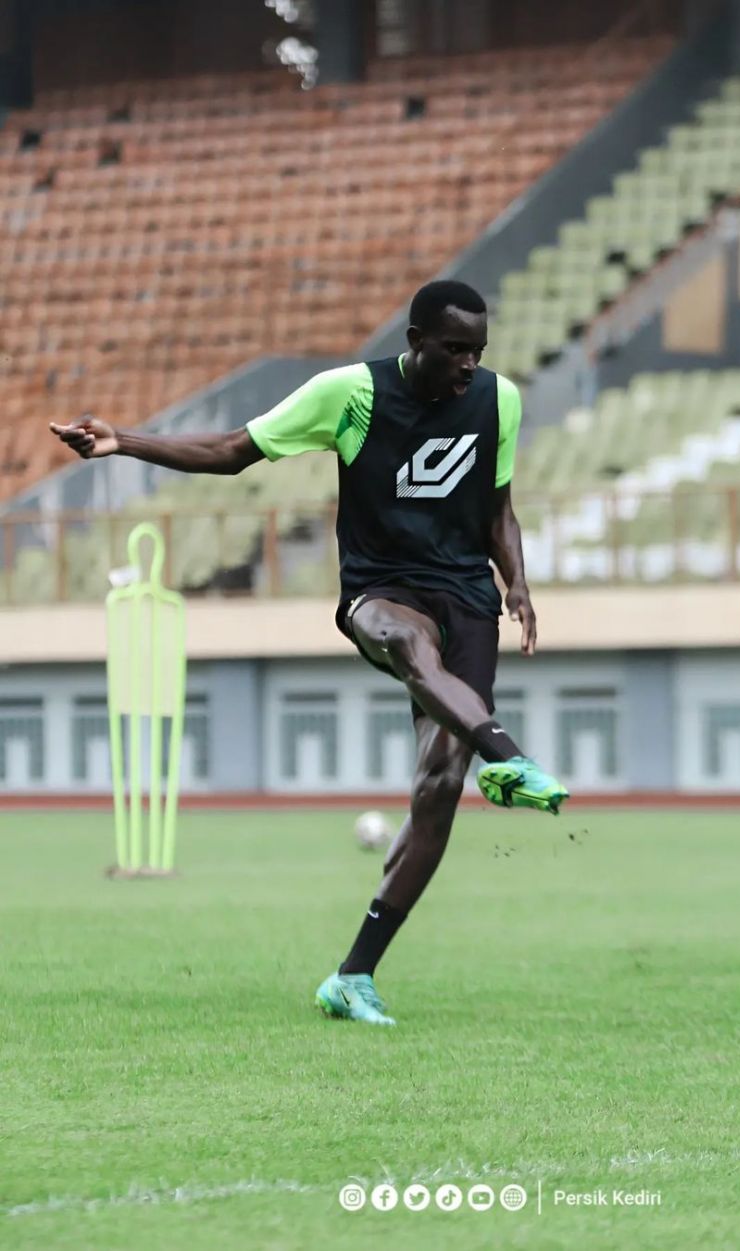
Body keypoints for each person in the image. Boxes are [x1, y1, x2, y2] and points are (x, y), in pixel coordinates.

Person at [50, 278, 570, 1027]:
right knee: (410, 645)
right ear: (415, 340)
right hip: (380, 591)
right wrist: (123, 440)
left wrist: (517, 581)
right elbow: (233, 451)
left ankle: (353, 976)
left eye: (477, 351)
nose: (467, 365)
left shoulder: (500, 401)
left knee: (436, 788)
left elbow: (499, 511)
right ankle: (508, 754)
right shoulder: (350, 395)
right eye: (454, 349)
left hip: (469, 600)